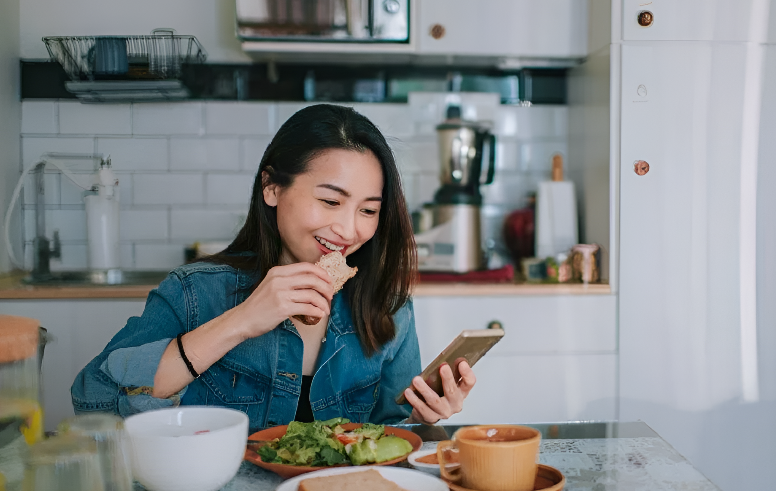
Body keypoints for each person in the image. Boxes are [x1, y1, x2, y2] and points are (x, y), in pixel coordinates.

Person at [71, 104, 476, 430]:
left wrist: (422, 420)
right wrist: (241, 321)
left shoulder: (387, 305)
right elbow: (94, 401)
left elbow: (391, 433)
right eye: (330, 201)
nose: (348, 229)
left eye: (368, 210)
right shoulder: (194, 292)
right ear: (271, 187)